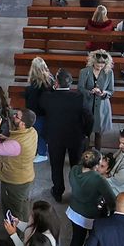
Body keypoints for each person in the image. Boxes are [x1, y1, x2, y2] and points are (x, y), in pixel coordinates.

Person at [37, 70, 91, 202]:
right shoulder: (78, 97)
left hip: (55, 137)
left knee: (56, 166)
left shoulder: (47, 97)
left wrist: (52, 88)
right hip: (75, 136)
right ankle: (77, 192)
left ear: (56, 83)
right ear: (71, 83)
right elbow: (89, 117)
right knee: (76, 166)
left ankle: (58, 192)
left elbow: (41, 105)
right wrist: (86, 133)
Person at [0, 108, 37, 228]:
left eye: (17, 116)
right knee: (22, 207)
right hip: (26, 176)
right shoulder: (32, 131)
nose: (14, 116)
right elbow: (17, 143)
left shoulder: (16, 144)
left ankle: (15, 240)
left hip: (14, 182)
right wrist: (7, 139)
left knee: (14, 211)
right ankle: (24, 232)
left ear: (22, 124)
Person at [64, 149, 108, 246]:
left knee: (76, 240)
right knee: (94, 242)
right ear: (96, 165)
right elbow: (110, 198)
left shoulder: (74, 170)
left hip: (75, 211)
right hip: (92, 215)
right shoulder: (98, 179)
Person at [79, 50, 115, 147]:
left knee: (99, 133)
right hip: (88, 104)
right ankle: (85, 155)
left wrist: (103, 93)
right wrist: (90, 92)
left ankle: (97, 155)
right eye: (97, 65)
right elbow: (80, 88)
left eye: (102, 65)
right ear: (92, 62)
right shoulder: (84, 72)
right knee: (86, 133)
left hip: (102, 107)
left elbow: (111, 90)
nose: (99, 67)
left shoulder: (109, 73)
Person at [23, 56, 55, 161]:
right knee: (45, 132)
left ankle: (42, 153)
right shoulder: (50, 80)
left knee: (38, 133)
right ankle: (44, 150)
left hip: (37, 112)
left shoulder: (35, 83)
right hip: (48, 112)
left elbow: (31, 100)